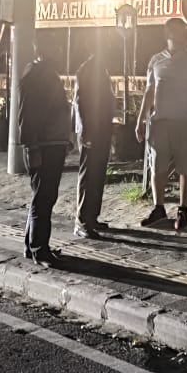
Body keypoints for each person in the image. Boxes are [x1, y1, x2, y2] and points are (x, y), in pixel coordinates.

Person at [134, 18, 187, 231]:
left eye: (184, 31)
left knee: (186, 167)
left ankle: (183, 208)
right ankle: (159, 207)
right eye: (177, 31)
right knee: (158, 167)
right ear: (167, 33)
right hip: (159, 122)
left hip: (186, 121)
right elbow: (148, 92)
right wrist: (140, 120)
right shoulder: (156, 60)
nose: (181, 35)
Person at [16, 42, 70, 267]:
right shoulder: (36, 76)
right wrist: (31, 147)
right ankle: (40, 249)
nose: (58, 51)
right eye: (53, 48)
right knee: (44, 197)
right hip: (45, 144)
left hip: (52, 142)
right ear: (41, 51)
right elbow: (27, 115)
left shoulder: (43, 74)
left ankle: (32, 245)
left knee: (43, 196)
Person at [72, 47, 115, 239]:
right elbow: (80, 102)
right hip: (91, 130)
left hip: (102, 129)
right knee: (88, 175)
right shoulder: (87, 70)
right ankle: (82, 220)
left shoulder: (101, 69)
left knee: (97, 175)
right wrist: (85, 130)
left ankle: (92, 217)